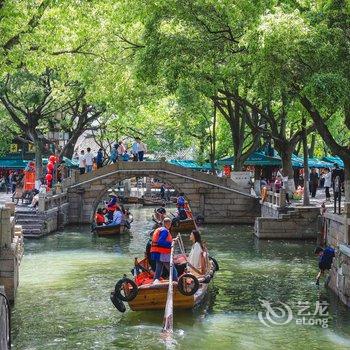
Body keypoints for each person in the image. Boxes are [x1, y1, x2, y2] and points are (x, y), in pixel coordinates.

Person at [150, 217, 178, 284]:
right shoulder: (165, 231)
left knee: (158, 269)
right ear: (167, 224)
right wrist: (170, 244)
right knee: (172, 269)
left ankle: (155, 281)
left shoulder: (160, 229)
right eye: (170, 223)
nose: (171, 225)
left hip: (157, 252)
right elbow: (160, 242)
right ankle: (176, 282)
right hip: (163, 253)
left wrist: (172, 240)